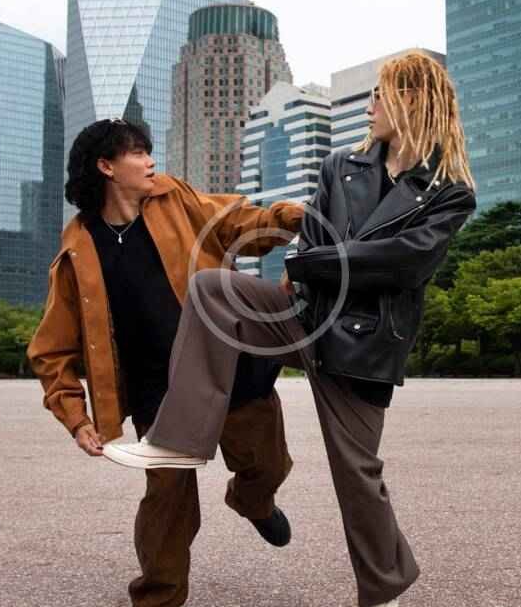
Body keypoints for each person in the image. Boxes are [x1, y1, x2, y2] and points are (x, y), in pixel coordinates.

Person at [102, 51, 478, 607]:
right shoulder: (341, 166)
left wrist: (310, 263)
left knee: (357, 474)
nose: (371, 106)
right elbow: (317, 239)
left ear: (412, 100)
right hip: (299, 314)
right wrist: (311, 264)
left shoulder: (450, 192)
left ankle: (385, 590)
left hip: (362, 342)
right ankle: (175, 442)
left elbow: (405, 262)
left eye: (380, 95)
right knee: (212, 289)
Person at [26, 118, 305, 607]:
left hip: (229, 363)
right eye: (137, 153)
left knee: (267, 464)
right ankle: (158, 597)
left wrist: (289, 218)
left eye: (148, 150)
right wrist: (75, 417)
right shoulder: (77, 248)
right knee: (168, 500)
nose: (150, 161)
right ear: (106, 166)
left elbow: (235, 221)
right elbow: (52, 348)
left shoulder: (174, 197)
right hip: (159, 390)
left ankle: (252, 500)